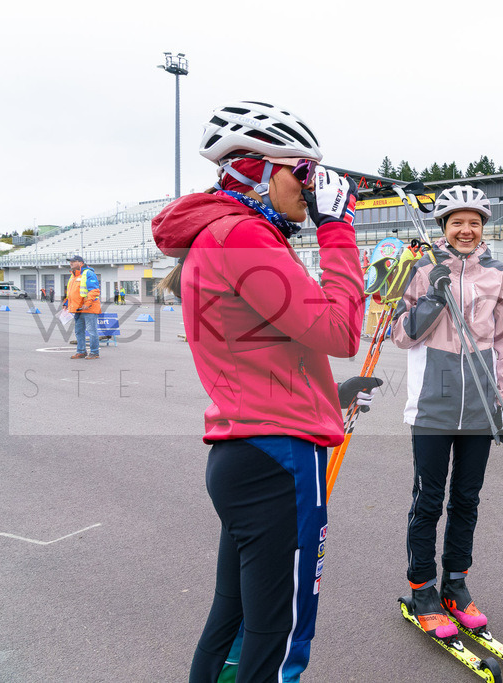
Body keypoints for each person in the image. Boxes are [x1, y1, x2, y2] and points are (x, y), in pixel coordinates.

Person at [151, 101, 375, 682]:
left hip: (249, 451)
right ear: (257, 169)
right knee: (281, 633)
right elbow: (342, 331)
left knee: (235, 621)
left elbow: (264, 349)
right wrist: (338, 229)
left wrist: (330, 396)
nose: (313, 187)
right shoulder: (243, 237)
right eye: (302, 172)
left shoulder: (221, 233)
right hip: (277, 459)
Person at [391, 185, 503, 640]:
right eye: (456, 222)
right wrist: (432, 296)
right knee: (428, 501)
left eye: (475, 222)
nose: (466, 230)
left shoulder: (500, 274)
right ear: (443, 227)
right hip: (432, 407)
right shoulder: (421, 270)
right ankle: (422, 588)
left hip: (482, 409)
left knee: (466, 501)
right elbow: (402, 335)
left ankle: (456, 585)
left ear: (483, 228)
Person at [62, 255, 101, 359]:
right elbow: (71, 293)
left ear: (81, 263)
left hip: (89, 308)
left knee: (92, 331)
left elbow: (94, 290)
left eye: (73, 261)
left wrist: (87, 304)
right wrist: (66, 303)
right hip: (78, 309)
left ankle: (94, 352)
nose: (71, 263)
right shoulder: (73, 275)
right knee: (79, 331)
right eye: (70, 261)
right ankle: (81, 351)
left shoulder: (88, 273)